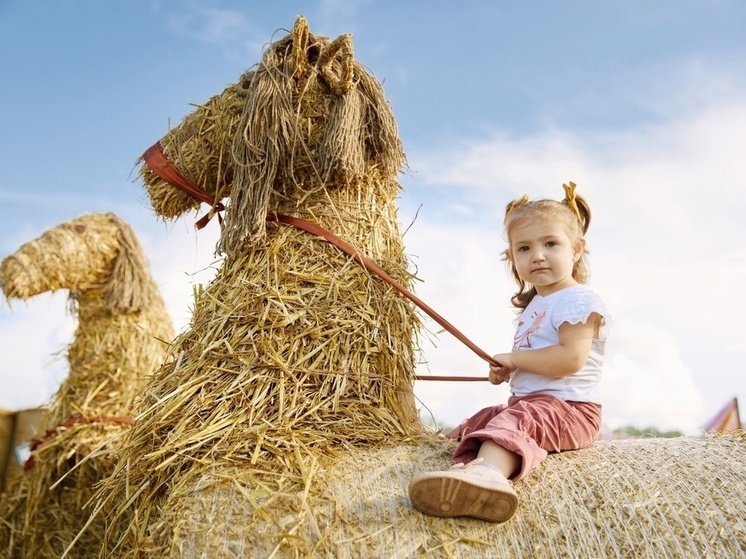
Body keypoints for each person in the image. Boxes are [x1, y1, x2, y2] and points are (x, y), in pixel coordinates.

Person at [408, 182, 612, 523]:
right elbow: (534, 363)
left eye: (550, 243)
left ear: (576, 249)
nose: (538, 255)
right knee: (485, 419)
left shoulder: (578, 300)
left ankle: (487, 475)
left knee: (516, 420)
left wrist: (515, 359)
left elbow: (570, 360)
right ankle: (447, 465)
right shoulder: (536, 305)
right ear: (512, 257)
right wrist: (506, 371)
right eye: (524, 248)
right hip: (535, 405)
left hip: (572, 410)